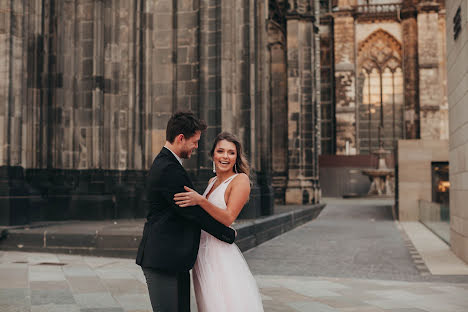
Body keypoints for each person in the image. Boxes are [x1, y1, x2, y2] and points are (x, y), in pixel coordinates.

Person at [136, 112, 236, 312]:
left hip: (174, 258)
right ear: (181, 138)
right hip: (162, 259)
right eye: (195, 141)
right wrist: (228, 233)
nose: (196, 147)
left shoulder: (170, 164)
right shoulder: (168, 168)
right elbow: (193, 212)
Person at [174, 132, 264, 312]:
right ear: (213, 154)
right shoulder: (212, 181)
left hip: (219, 253)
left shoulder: (240, 180)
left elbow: (228, 217)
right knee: (206, 304)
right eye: (220, 151)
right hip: (202, 252)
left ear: (237, 157)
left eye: (231, 153)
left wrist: (200, 200)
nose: (225, 156)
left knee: (223, 303)